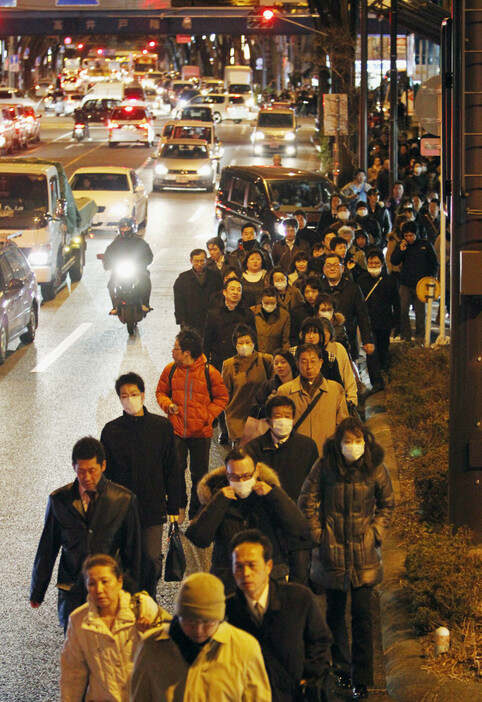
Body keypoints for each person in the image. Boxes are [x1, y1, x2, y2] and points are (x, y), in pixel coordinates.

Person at [298, 417, 395, 700]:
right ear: (338, 443)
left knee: (363, 616)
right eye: (347, 441)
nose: (353, 446)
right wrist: (318, 534)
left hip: (363, 553)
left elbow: (386, 503)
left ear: (365, 441)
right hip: (332, 553)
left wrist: (376, 532)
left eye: (358, 441)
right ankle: (340, 668)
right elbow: (307, 500)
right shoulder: (324, 466)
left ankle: (362, 677)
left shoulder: (374, 467)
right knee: (335, 615)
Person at [30, 437, 141, 632]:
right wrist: (37, 591)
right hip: (73, 591)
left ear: (103, 466)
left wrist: (134, 595)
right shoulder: (59, 501)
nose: (87, 477)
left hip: (110, 592)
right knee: (75, 648)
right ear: (73, 467)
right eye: (81, 471)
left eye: (92, 471)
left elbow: (132, 551)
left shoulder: (124, 500)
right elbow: (48, 548)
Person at [100, 372, 183, 598]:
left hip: (152, 506)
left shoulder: (161, 427)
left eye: (134, 394)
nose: (130, 399)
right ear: (119, 399)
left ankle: (148, 598)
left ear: (143, 395)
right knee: (125, 559)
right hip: (121, 510)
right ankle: (128, 600)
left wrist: (176, 505)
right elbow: (104, 474)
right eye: (124, 395)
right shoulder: (110, 431)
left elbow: (172, 468)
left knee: (151, 557)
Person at [185, 446, 311, 591]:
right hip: (229, 580)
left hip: (269, 579)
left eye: (246, 476)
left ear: (256, 471)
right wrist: (217, 503)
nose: (241, 481)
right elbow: (199, 538)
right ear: (227, 474)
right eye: (235, 477)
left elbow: (300, 528)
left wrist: (275, 496)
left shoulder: (270, 493)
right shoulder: (218, 494)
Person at [131, 572, 271, 702]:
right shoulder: (152, 645)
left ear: (220, 618)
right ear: (178, 616)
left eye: (207, 622)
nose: (198, 630)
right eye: (190, 621)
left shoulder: (244, 648)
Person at [226, 530, 332, 702]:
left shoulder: (299, 599)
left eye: (252, 565)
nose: (246, 573)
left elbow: (320, 641)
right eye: (239, 566)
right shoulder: (227, 611)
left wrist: (307, 678)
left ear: (268, 566)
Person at [60, 554, 167, 702]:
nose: (99, 589)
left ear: (119, 581)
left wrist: (149, 635)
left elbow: (168, 658)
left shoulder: (143, 608)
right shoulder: (79, 621)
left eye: (105, 581)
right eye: (92, 583)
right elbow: (72, 674)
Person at [156, 328, 228, 519]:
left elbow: (222, 397)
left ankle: (196, 511)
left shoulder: (209, 372)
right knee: (176, 470)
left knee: (199, 474)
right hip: (177, 429)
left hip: (201, 433)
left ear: (187, 352)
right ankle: (179, 505)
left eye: (176, 347)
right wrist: (168, 405)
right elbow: (160, 393)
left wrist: (208, 416)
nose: (173, 350)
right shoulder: (170, 370)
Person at [276, 343, 349, 454]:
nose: (309, 366)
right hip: (296, 454)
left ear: (321, 363)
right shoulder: (285, 391)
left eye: (313, 361)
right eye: (304, 362)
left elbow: (343, 425)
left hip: (326, 454)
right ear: (297, 364)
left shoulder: (335, 390)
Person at [246, 395, 318, 504]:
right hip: (265, 509)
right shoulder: (254, 448)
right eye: (278, 416)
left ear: (293, 420)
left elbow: (315, 482)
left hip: (297, 510)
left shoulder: (307, 446)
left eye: (287, 416)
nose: (283, 420)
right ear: (268, 421)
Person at [222, 324, 274, 443]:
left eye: (247, 342)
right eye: (240, 343)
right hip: (237, 420)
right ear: (235, 344)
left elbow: (274, 385)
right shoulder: (229, 365)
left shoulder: (266, 360)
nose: (244, 346)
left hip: (261, 419)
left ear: (254, 342)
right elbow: (225, 393)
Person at [390, 220, 438, 342]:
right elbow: (394, 261)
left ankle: (420, 338)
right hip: (405, 284)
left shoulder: (425, 245)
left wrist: (431, 277)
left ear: (416, 234)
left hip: (421, 284)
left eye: (411, 235)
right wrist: (400, 250)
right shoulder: (402, 245)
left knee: (420, 314)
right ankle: (406, 337)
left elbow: (434, 263)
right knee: (402, 310)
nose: (409, 238)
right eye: (406, 235)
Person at [320, 253, 374, 360]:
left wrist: (367, 340)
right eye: (328, 266)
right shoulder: (318, 288)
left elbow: (362, 315)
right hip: (322, 340)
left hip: (348, 339)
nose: (332, 268)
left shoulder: (353, 288)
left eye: (335, 265)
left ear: (342, 268)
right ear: (324, 269)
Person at [357, 249, 401, 375]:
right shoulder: (361, 280)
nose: (373, 266)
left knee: (383, 350)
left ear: (382, 264)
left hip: (384, 322)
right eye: (370, 263)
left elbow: (396, 303)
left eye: (376, 263)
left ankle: (383, 373)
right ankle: (374, 378)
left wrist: (397, 323)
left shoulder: (390, 280)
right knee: (371, 352)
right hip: (368, 323)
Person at [103, 217, 153, 314]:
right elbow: (107, 255)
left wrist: (142, 264)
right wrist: (108, 264)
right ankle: (115, 307)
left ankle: (145, 304)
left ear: (132, 228)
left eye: (127, 228)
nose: (124, 230)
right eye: (122, 228)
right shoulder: (115, 243)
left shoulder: (140, 242)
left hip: (137, 269)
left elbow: (149, 256)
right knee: (111, 284)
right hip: (119, 269)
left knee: (146, 280)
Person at [173, 248, 222, 333]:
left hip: (211, 320)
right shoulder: (183, 279)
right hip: (190, 321)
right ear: (191, 261)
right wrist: (181, 321)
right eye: (196, 261)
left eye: (202, 261)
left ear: (206, 260)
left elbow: (220, 297)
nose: (199, 264)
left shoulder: (215, 276)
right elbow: (178, 302)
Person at [251, 286, 290, 355]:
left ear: (277, 302)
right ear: (261, 301)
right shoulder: (252, 312)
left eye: (272, 303)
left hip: (274, 356)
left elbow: (285, 341)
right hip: (255, 355)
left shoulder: (284, 316)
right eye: (266, 303)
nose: (269, 306)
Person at [289, 275, 324, 346]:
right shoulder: (297, 312)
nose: (310, 295)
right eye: (307, 292)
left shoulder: (324, 309)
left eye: (313, 292)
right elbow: (293, 337)